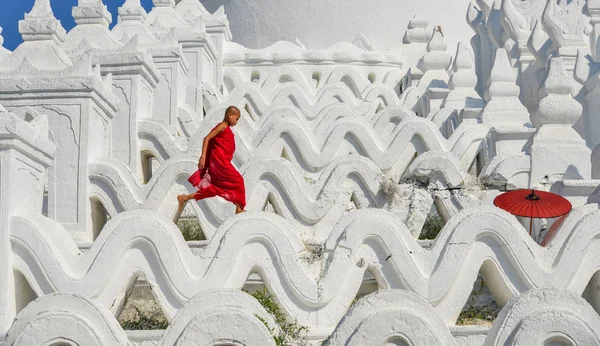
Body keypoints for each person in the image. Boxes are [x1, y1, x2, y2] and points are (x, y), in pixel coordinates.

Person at [177, 106, 246, 214]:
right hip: (219, 164)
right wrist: (203, 157)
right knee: (238, 180)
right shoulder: (222, 126)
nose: (236, 122)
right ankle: (238, 209)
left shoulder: (226, 128)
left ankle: (184, 198)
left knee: (215, 189)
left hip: (222, 162)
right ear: (230, 115)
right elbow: (207, 138)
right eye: (236, 119)